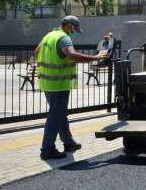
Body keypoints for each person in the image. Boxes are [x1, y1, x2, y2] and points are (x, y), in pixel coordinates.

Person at [35, 16, 107, 160]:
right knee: (56, 116)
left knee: (60, 113)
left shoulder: (48, 36)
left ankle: (68, 143)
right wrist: (96, 58)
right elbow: (72, 55)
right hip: (58, 83)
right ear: (69, 26)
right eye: (74, 30)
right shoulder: (63, 38)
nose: (74, 33)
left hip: (47, 82)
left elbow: (37, 52)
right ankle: (47, 149)